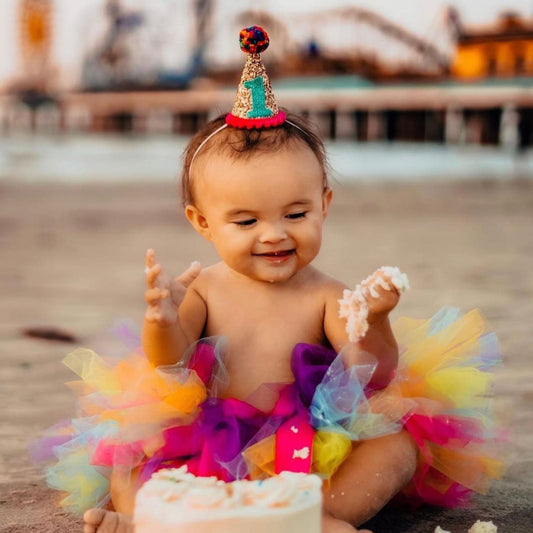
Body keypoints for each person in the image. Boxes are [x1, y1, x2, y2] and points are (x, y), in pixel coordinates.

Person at [35, 26, 503, 533]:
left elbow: (373, 373)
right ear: (202, 222)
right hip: (207, 439)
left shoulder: (329, 294)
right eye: (246, 221)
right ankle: (145, 519)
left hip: (309, 444)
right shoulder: (205, 288)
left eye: (296, 214)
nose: (274, 235)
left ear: (324, 205)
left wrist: (377, 321)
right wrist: (161, 318)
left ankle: (318, 518)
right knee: (128, 449)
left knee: (399, 443)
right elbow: (167, 361)